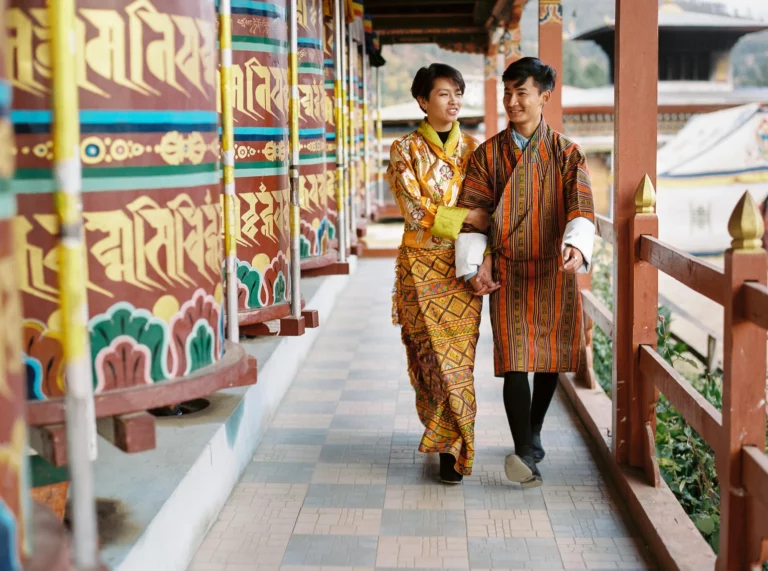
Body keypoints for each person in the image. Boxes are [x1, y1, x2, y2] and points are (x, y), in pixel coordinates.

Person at [455, 57, 595, 488]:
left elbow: (582, 207)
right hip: (509, 271)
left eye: (522, 93)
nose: (512, 101)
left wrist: (576, 242)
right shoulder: (488, 154)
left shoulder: (567, 153)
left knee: (548, 358)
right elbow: (469, 215)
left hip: (553, 267)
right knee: (514, 360)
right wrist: (476, 263)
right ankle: (523, 454)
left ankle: (533, 432)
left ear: (544, 97)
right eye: (507, 92)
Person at [388, 63, 496, 484]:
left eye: (458, 93)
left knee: (458, 361)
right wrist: (470, 214)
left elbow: (490, 208)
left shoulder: (475, 150)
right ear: (422, 101)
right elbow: (415, 213)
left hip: (462, 269)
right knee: (429, 360)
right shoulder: (404, 150)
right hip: (417, 270)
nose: (454, 101)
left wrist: (475, 231)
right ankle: (443, 438)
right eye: (444, 94)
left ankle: (458, 445)